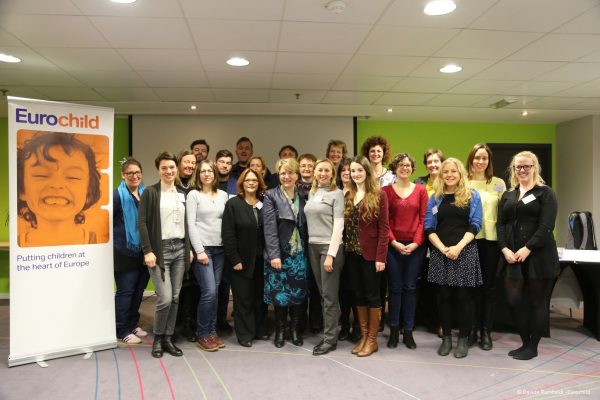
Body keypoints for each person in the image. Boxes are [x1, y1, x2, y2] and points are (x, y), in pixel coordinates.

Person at [497, 151, 559, 361]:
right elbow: (500, 224)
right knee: (514, 301)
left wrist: (528, 248)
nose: (522, 170)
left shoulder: (545, 193)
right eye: (518, 167)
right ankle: (524, 342)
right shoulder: (508, 195)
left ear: (534, 168)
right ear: (513, 169)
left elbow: (547, 225)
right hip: (512, 256)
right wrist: (504, 249)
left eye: (526, 166)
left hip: (538, 256)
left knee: (537, 302)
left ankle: (533, 347)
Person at [425, 158, 482, 359]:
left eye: (453, 171)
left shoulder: (472, 195)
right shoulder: (435, 198)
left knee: (464, 298)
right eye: (446, 171)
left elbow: (475, 225)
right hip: (440, 253)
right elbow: (429, 227)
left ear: (460, 174)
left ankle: (463, 339)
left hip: (464, 251)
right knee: (444, 298)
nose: (449, 175)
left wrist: (458, 247)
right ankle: (447, 338)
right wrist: (443, 249)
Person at [138, 151, 191, 358]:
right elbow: (142, 223)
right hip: (159, 251)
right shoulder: (150, 192)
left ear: (176, 168)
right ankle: (158, 338)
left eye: (171, 167)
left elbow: (187, 223)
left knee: (176, 297)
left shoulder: (182, 193)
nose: (168, 171)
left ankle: (168, 338)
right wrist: (148, 251)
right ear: (158, 170)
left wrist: (188, 249)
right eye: (164, 168)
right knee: (165, 298)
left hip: (180, 249)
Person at [17, 131, 101, 247]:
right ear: (22, 190)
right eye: (41, 175)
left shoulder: (98, 242)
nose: (57, 184)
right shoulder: (17, 245)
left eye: (73, 176)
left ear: (88, 192)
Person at [344, 155, 389, 357]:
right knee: (358, 294)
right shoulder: (349, 195)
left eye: (359, 170)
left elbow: (384, 229)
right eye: (353, 171)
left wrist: (381, 257)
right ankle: (363, 337)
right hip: (352, 253)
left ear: (367, 171)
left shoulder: (379, 194)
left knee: (372, 296)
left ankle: (372, 340)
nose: (356, 174)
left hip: (371, 255)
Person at [382, 153, 428, 350]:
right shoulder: (385, 191)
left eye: (408, 165)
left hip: (416, 247)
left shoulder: (421, 190)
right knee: (395, 288)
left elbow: (424, 220)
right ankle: (393, 330)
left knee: (410, 287)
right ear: (395, 168)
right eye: (400, 165)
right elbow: (384, 221)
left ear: (412, 168)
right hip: (393, 247)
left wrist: (416, 243)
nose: (404, 168)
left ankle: (408, 331)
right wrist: (394, 243)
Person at [262, 158, 309, 348]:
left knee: (298, 292)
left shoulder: (304, 194)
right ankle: (280, 329)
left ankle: (295, 328)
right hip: (280, 253)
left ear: (297, 175)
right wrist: (274, 255)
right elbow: (269, 229)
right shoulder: (271, 195)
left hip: (300, 253)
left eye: (290, 173)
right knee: (280, 293)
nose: (286, 176)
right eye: (283, 173)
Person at [222, 168, 269, 347]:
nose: (251, 183)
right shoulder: (233, 204)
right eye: (248, 180)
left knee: (260, 297)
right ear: (242, 183)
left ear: (259, 183)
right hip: (241, 261)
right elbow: (228, 234)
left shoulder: (265, 202)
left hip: (262, 259)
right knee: (243, 299)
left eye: (254, 180)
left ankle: (260, 330)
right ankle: (245, 334)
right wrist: (235, 259)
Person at [466, 143, 506, 350]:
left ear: (489, 161)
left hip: (491, 241)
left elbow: (504, 214)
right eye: (477, 157)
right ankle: (472, 330)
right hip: (468, 240)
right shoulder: (463, 182)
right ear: (471, 159)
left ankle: (486, 332)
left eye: (484, 158)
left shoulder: (498, 183)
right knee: (471, 288)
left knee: (489, 288)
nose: (480, 161)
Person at [186, 160, 229, 352]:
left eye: (210, 170)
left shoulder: (223, 195)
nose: (206, 174)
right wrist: (199, 250)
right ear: (198, 174)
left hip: (220, 249)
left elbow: (226, 222)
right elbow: (191, 224)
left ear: (214, 173)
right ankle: (202, 333)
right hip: (204, 250)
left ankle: (212, 332)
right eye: (202, 171)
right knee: (209, 292)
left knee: (215, 292)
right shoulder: (193, 195)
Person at [304, 159, 345, 355]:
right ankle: (329, 333)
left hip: (329, 247)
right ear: (314, 172)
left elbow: (339, 226)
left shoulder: (337, 193)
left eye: (327, 170)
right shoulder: (312, 193)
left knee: (329, 297)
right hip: (312, 246)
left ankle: (330, 340)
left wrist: (331, 254)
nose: (323, 173)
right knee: (322, 294)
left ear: (332, 173)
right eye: (319, 170)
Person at [113, 157, 150, 344]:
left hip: (144, 251)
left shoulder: (145, 193)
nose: (134, 176)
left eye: (137, 172)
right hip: (124, 251)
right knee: (126, 292)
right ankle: (122, 330)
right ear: (123, 175)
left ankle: (133, 324)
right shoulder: (117, 196)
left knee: (138, 290)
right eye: (130, 173)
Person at [336, 157, 360, 342]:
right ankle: (344, 323)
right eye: (343, 169)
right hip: (337, 247)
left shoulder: (360, 192)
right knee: (342, 289)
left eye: (349, 170)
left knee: (355, 288)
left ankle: (357, 325)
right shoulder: (334, 192)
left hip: (355, 247)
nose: (346, 172)